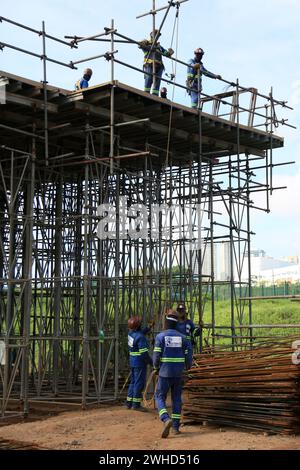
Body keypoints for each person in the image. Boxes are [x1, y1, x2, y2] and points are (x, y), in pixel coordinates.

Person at [153, 310, 193, 438]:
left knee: (159, 396)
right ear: (177, 323)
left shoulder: (160, 336)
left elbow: (156, 355)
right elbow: (189, 354)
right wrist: (187, 367)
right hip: (178, 373)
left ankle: (165, 419)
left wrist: (156, 367)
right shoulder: (183, 338)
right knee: (176, 398)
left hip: (164, 372)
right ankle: (175, 427)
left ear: (166, 322)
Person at [127, 316, 153, 412]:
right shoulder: (141, 338)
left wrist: (148, 328)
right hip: (139, 363)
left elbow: (139, 334)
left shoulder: (131, 334)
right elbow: (144, 354)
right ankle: (136, 404)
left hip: (132, 361)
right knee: (139, 383)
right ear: (138, 326)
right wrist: (151, 363)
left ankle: (129, 402)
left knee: (133, 382)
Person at [139, 30, 174, 96]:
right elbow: (140, 45)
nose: (156, 36)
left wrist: (170, 52)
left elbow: (166, 53)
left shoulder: (159, 47)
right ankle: (146, 94)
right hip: (149, 64)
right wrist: (143, 42)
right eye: (155, 34)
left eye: (158, 35)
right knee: (149, 78)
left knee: (157, 81)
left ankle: (155, 94)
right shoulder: (147, 43)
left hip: (159, 65)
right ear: (151, 35)